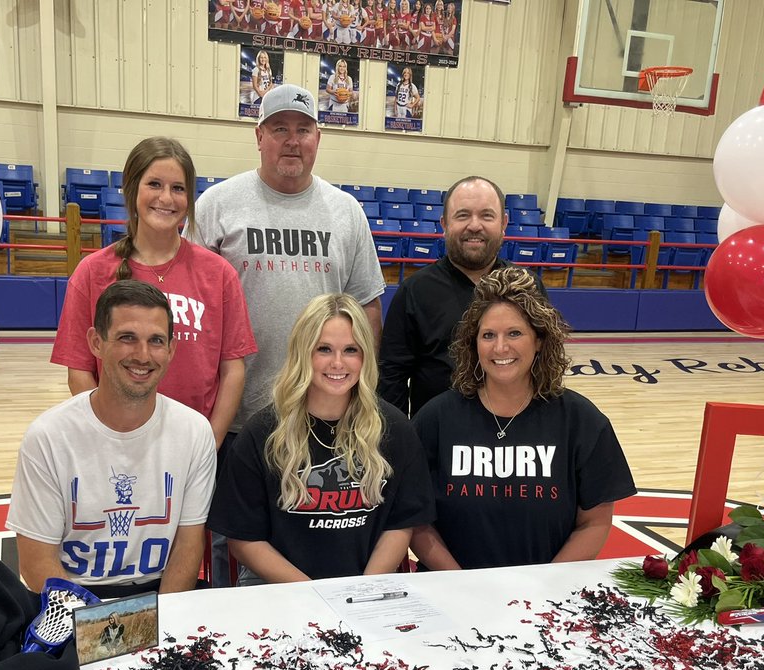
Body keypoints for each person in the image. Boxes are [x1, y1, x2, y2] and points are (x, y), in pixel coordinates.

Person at [411, 266, 635, 570]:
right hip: (451, 595)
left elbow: (594, 523)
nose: (500, 347)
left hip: (545, 598)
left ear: (539, 340)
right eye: (488, 335)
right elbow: (416, 521)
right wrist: (459, 582)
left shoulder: (581, 420)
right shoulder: (435, 419)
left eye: (514, 333)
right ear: (473, 344)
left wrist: (543, 585)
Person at [194, 84, 384, 435]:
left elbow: (366, 307)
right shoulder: (216, 205)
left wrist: (363, 390)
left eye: (303, 130)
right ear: (259, 135)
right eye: (280, 128)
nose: (292, 140)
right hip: (234, 414)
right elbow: (193, 307)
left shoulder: (347, 212)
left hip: (324, 413)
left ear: (318, 137)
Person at [9, 280, 217, 597]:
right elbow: (37, 566)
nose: (143, 355)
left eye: (156, 341)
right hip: (74, 599)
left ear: (171, 349)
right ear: (96, 342)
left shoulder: (195, 431)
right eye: (127, 338)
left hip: (160, 595)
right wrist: (103, 630)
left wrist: (158, 627)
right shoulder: (48, 436)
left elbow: (188, 549)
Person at [208, 294, 434, 584]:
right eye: (324, 349)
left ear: (365, 355)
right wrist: (313, 595)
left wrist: (362, 589)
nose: (338, 363)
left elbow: (401, 524)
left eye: (351, 350)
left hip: (364, 586)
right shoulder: (263, 432)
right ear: (303, 352)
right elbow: (243, 538)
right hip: (279, 588)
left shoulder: (393, 428)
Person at [51, 138, 255, 450]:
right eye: (155, 184)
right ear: (132, 190)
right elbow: (79, 371)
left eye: (178, 188)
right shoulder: (92, 272)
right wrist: (110, 437)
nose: (166, 198)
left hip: (194, 446)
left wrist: (209, 443)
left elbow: (232, 370)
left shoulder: (219, 274)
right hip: (117, 445)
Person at [379, 175, 517, 416]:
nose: (475, 225)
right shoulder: (415, 291)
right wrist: (399, 441)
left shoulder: (525, 288)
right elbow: (392, 377)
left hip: (512, 440)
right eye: (463, 215)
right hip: (435, 442)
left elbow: (542, 368)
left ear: (503, 223)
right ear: (444, 224)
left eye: (487, 215)